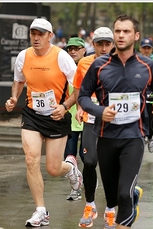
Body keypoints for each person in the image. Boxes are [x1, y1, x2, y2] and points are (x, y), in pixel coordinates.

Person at [77, 14, 153, 229]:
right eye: (117, 31)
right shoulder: (99, 66)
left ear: (135, 36)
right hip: (106, 137)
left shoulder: (148, 65)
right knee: (113, 197)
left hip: (134, 137)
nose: (120, 35)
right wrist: (99, 111)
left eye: (126, 31)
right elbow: (83, 97)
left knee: (124, 195)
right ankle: (129, 196)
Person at [4, 18, 82, 227]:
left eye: (40, 34)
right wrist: (13, 98)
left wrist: (65, 106)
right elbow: (19, 80)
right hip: (32, 115)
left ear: (50, 36)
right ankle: (41, 211)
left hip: (56, 116)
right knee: (31, 159)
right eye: (33, 34)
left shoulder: (62, 57)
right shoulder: (24, 56)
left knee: (53, 169)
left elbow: (79, 87)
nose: (36, 38)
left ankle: (71, 169)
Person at [73, 27, 115, 229]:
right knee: (89, 161)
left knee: (110, 165)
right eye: (100, 44)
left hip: (114, 121)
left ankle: (111, 210)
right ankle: (90, 205)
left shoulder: (121, 63)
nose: (104, 48)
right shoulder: (84, 63)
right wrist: (80, 107)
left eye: (108, 44)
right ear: (93, 44)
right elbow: (78, 88)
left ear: (113, 45)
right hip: (91, 118)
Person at [64, 37, 86, 201]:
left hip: (87, 119)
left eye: (76, 48)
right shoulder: (63, 69)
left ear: (83, 50)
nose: (73, 51)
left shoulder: (89, 67)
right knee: (69, 157)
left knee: (86, 157)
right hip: (68, 120)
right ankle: (75, 188)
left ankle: (89, 183)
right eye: (70, 49)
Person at [139, 37, 153, 153]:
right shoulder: (135, 60)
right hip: (139, 94)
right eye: (144, 48)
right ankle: (140, 138)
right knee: (139, 118)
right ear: (140, 49)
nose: (146, 50)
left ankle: (150, 137)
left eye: (148, 48)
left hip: (152, 95)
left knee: (150, 119)